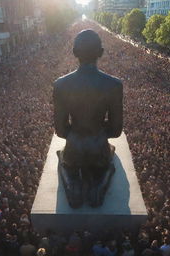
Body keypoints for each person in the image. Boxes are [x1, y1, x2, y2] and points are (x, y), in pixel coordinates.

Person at [53, 29, 123, 208]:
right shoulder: (114, 85)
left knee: (65, 161)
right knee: (106, 163)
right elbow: (115, 131)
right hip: (99, 147)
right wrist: (98, 134)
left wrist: (76, 135)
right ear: (100, 52)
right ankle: (100, 185)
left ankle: (72, 185)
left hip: (74, 148)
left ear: (75, 52)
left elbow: (61, 131)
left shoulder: (61, 84)